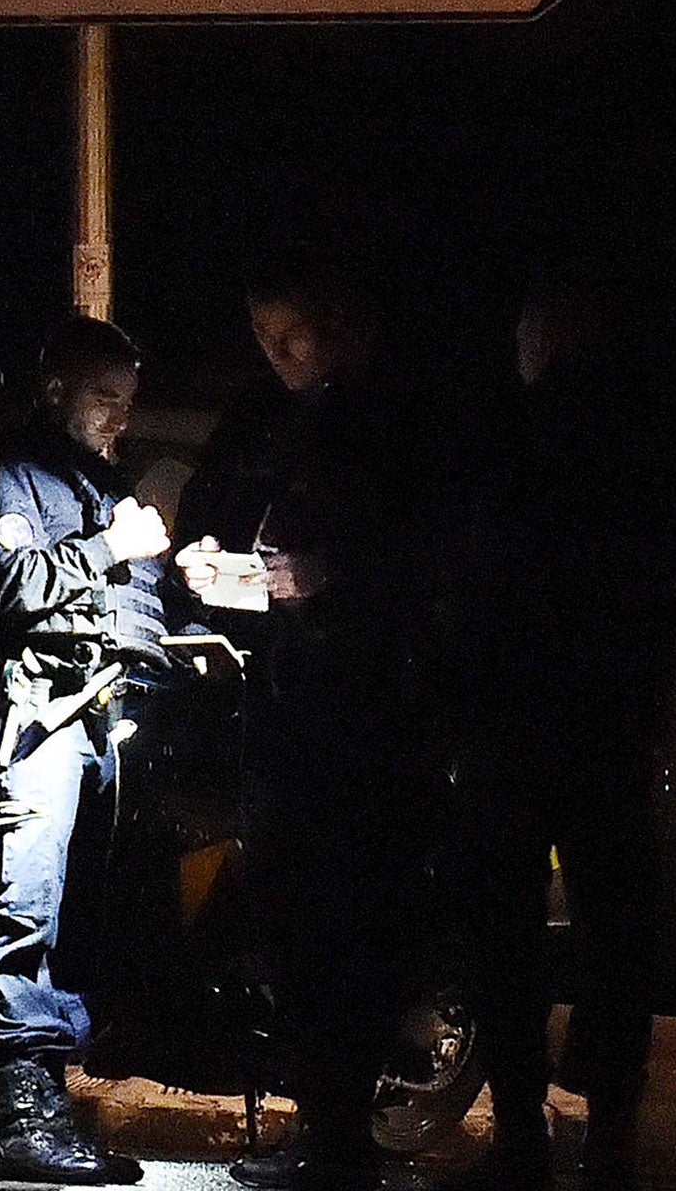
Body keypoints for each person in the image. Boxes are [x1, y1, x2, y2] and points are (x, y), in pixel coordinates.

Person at [175, 262, 435, 1191]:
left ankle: (337, 1140)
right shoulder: (291, 417)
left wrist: (327, 574)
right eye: (263, 342)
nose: (277, 361)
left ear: (344, 326)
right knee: (298, 923)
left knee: (336, 928)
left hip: (358, 723)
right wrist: (218, 567)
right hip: (301, 710)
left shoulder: (390, 420)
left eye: (292, 340)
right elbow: (243, 517)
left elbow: (422, 555)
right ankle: (327, 1131)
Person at [444, 271, 676, 1190]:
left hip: (513, 719)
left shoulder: (507, 435)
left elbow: (470, 576)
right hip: (610, 719)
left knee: (506, 936)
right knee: (616, 928)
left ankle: (521, 1129)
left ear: (542, 340)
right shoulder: (661, 438)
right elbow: (668, 584)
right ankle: (611, 1125)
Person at [0, 315, 176, 1185]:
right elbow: (1, 586)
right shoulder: (14, 476)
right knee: (24, 907)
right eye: (104, 398)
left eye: (128, 402)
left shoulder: (99, 486)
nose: (120, 418)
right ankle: (16, 1120)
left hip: (96, 727)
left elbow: (131, 610)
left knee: (72, 919)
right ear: (55, 391)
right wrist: (113, 548)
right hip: (38, 718)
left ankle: (48, 1113)